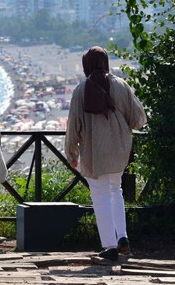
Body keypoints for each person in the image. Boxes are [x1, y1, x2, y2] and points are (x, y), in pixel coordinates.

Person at [65, 46, 147, 262]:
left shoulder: (81, 90)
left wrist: (71, 154)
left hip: (94, 151)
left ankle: (109, 246)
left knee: (100, 196)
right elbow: (138, 119)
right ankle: (123, 237)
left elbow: (73, 126)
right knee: (115, 190)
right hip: (119, 150)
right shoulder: (121, 85)